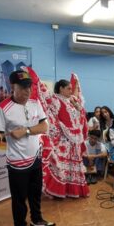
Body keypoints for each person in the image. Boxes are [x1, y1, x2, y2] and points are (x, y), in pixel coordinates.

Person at [0, 69, 53, 226]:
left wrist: (26, 131)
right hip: (17, 162)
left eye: (29, 87)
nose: (27, 91)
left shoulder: (35, 103)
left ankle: (36, 220)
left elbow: (44, 127)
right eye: (22, 87)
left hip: (35, 157)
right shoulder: (3, 108)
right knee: (19, 199)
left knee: (35, 193)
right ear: (12, 87)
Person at [31, 69, 90, 199]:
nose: (71, 91)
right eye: (68, 88)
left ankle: (73, 190)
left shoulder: (71, 100)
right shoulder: (56, 100)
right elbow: (45, 98)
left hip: (74, 140)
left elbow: (81, 113)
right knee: (61, 164)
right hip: (63, 139)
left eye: (71, 89)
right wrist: (36, 80)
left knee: (73, 165)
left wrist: (76, 104)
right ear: (61, 89)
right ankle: (59, 190)